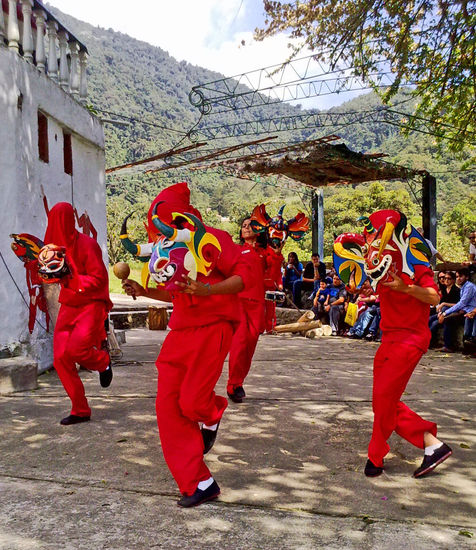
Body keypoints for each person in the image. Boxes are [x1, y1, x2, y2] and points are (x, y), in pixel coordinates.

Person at [122, 183, 252, 508]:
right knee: (167, 407)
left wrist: (208, 291)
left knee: (192, 402)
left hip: (213, 329)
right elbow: (176, 293)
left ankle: (211, 412)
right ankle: (198, 482)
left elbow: (242, 277)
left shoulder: (213, 239)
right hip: (178, 333)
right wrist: (143, 290)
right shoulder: (166, 248)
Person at [334, 210, 453, 479]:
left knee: (384, 400)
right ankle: (432, 445)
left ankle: (376, 455)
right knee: (382, 401)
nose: (374, 239)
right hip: (387, 338)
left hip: (410, 339)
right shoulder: (382, 265)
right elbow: (376, 288)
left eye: (377, 233)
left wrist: (405, 288)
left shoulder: (417, 264)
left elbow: (434, 297)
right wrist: (366, 289)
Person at [42, 202, 113, 426]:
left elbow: (99, 279)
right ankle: (80, 409)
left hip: (91, 303)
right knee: (61, 358)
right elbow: (52, 275)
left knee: (77, 349)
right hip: (70, 304)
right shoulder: (53, 248)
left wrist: (70, 278)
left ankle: (103, 362)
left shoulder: (88, 245)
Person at [226, 217, 266, 403]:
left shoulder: (265, 252)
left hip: (257, 304)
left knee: (250, 345)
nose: (247, 228)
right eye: (244, 226)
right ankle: (233, 385)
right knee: (239, 344)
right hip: (239, 302)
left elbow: (272, 274)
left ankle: (239, 381)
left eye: (251, 225)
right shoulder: (234, 250)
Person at [437, 267, 476, 352]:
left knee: (448, 319)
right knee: (446, 318)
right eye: (457, 276)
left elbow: (462, 303)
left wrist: (445, 313)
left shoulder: (469, 287)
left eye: (460, 276)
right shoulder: (463, 287)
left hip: (470, 312)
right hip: (464, 311)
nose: (458, 278)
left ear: (467, 277)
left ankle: (450, 346)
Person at [429, 271, 460, 348]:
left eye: (448, 278)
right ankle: (427, 341)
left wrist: (445, 304)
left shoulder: (456, 290)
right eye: (444, 278)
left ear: (453, 280)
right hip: (442, 313)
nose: (446, 280)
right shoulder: (444, 290)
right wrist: (440, 312)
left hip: (452, 314)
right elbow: (440, 304)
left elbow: (458, 305)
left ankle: (444, 345)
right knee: (429, 319)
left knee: (434, 324)